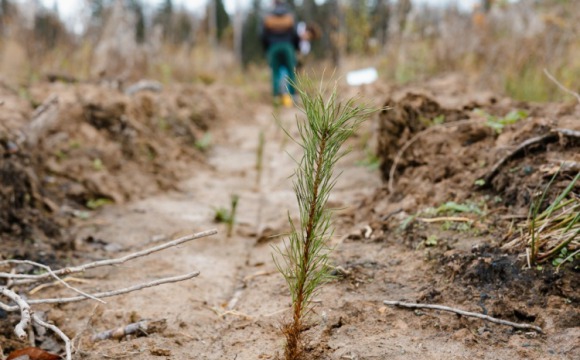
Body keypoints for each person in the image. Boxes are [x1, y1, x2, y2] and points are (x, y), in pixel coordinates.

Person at [260, 0, 300, 107]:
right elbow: (295, 34)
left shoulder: (268, 17)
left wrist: (267, 48)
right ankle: (293, 98)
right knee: (291, 72)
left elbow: (262, 35)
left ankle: (276, 98)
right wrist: (295, 47)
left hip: (273, 47)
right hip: (288, 46)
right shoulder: (289, 16)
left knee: (275, 73)